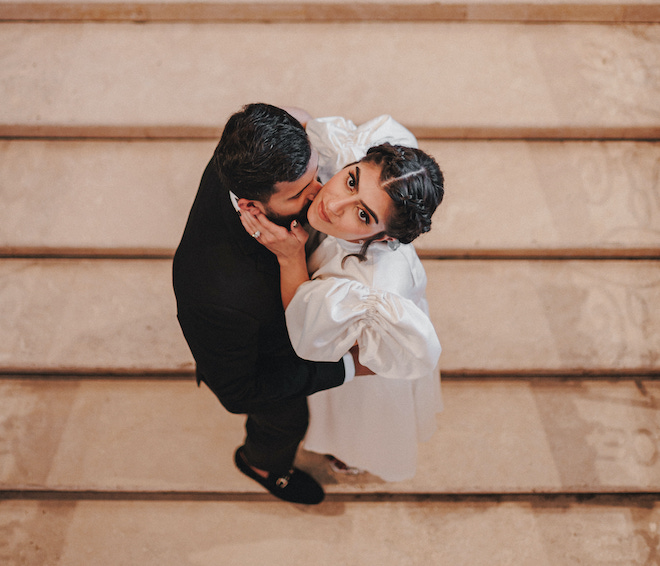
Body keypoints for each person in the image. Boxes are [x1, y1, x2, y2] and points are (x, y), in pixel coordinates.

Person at [172, 103, 371, 505]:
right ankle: (263, 465)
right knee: (285, 420)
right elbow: (239, 392)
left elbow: (293, 113)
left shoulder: (251, 144)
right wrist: (349, 365)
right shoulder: (217, 296)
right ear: (251, 207)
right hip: (261, 350)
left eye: (315, 173)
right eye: (301, 193)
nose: (323, 195)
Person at [239, 126, 445, 481]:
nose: (332, 205)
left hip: (363, 364)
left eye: (363, 215)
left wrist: (291, 259)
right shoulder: (367, 179)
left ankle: (352, 454)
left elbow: (309, 333)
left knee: (359, 420)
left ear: (385, 237)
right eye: (351, 181)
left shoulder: (369, 284)